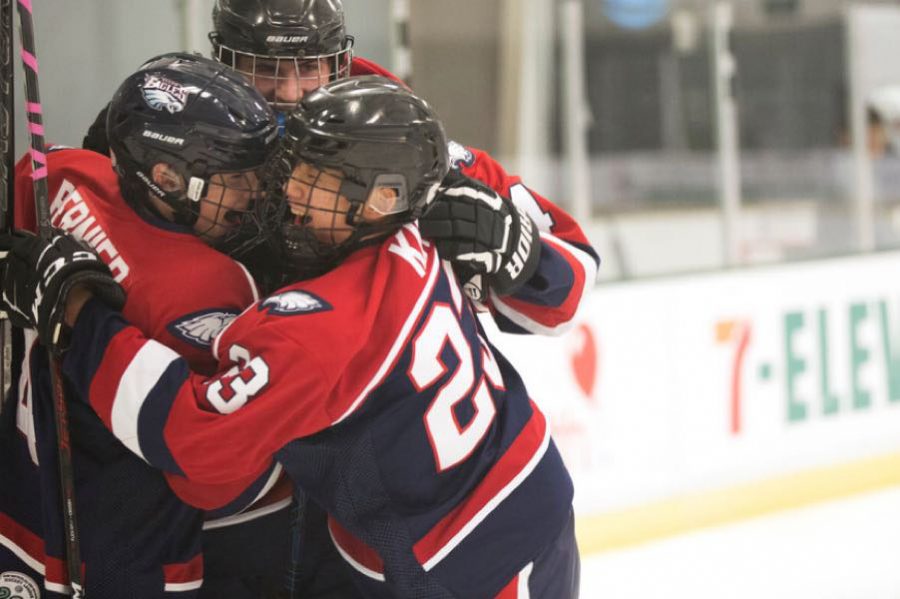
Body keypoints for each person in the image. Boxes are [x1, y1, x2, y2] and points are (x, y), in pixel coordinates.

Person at [2, 76, 582, 599]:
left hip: (470, 556)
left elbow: (198, 446)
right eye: (297, 168)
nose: (292, 192)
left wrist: (77, 312)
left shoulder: (316, 332)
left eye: (320, 180)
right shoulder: (416, 228)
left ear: (381, 197)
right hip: (506, 487)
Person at [0, 53, 289, 598]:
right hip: (127, 547)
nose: (255, 193)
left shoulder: (58, 174)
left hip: (22, 494)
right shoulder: (212, 288)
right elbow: (220, 480)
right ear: (166, 177)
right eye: (235, 178)